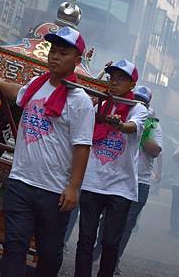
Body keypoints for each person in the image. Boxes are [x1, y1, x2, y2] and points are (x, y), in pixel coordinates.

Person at [0, 26, 95, 277]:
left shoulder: (80, 101)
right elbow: (19, 95)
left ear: (77, 61)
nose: (55, 57)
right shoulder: (38, 83)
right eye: (53, 51)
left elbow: (82, 147)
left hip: (55, 191)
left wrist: (73, 187)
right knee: (14, 245)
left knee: (49, 253)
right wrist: (1, 83)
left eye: (63, 53)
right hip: (21, 182)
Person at [74, 60, 148, 277]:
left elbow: (132, 126)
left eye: (120, 79)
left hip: (120, 188)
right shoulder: (99, 104)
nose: (114, 83)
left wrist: (119, 125)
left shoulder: (138, 109)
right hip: (92, 182)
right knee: (85, 239)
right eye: (112, 78)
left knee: (110, 242)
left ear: (132, 85)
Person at [114, 86, 162, 274]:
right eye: (136, 99)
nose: (139, 104)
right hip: (119, 176)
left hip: (140, 181)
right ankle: (98, 252)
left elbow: (156, 150)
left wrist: (140, 133)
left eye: (143, 101)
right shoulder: (121, 115)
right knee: (108, 221)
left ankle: (114, 259)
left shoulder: (154, 125)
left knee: (126, 224)